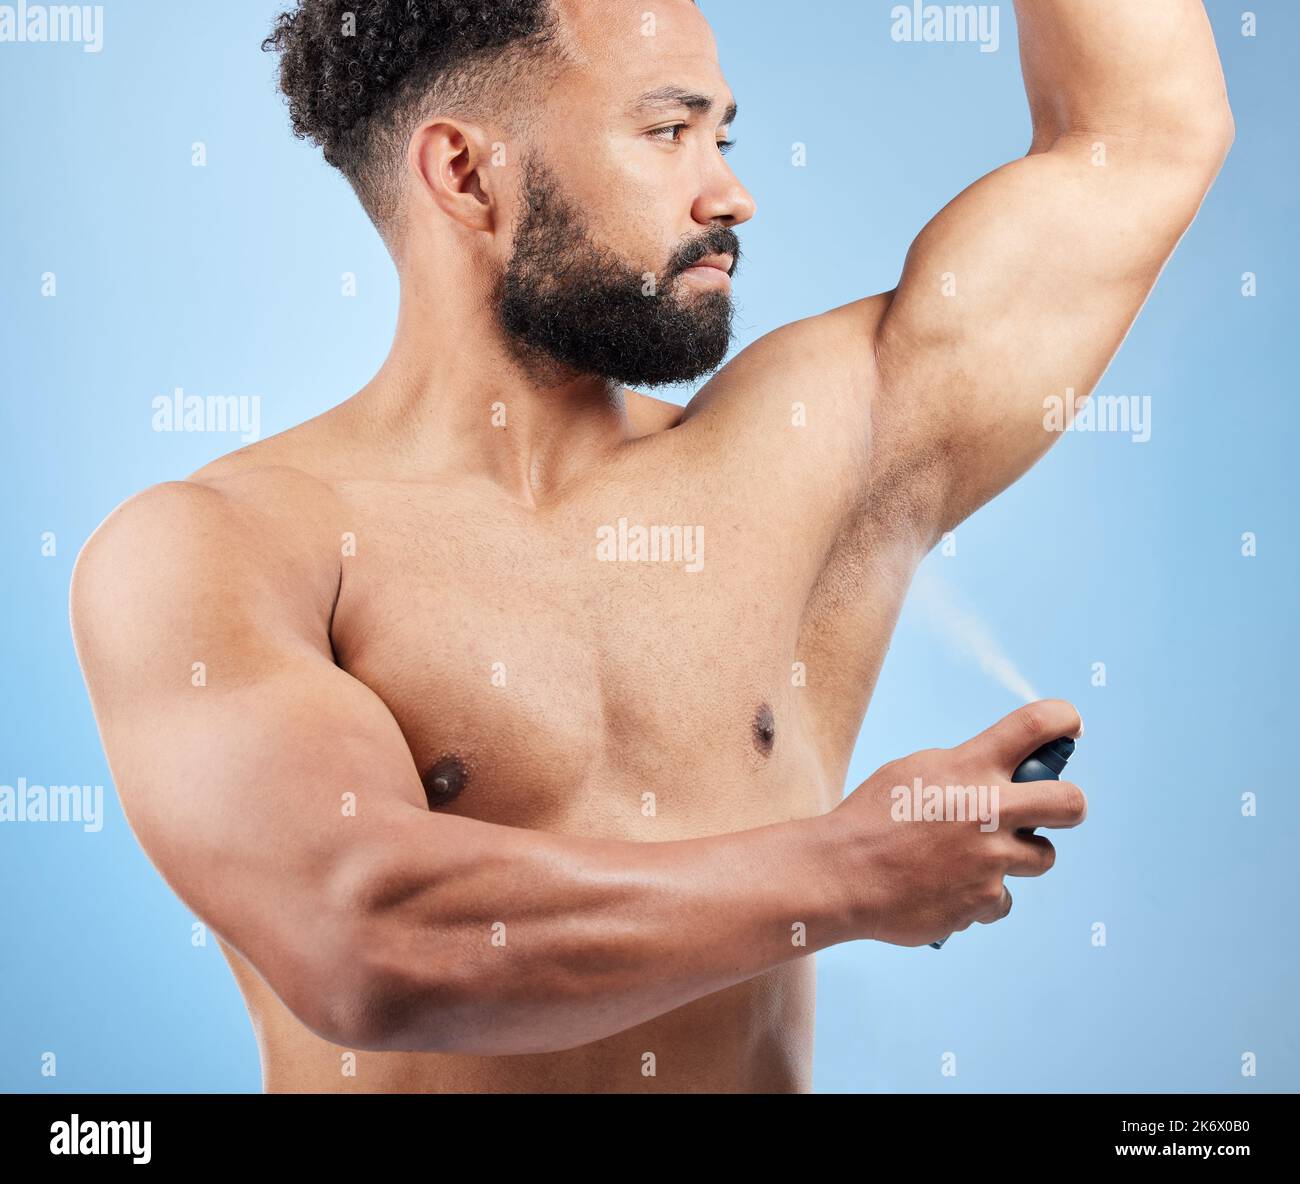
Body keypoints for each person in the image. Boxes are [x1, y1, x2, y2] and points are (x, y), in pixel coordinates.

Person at [69, 0, 1232, 1092]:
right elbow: (366, 935)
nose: (729, 193)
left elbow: (1140, 136)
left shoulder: (803, 452)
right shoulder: (214, 546)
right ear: (467, 174)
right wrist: (850, 870)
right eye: (668, 131)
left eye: (721, 133)